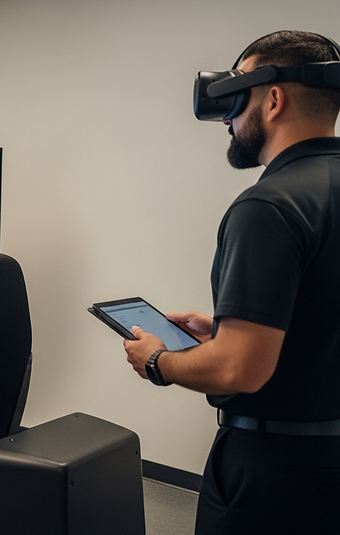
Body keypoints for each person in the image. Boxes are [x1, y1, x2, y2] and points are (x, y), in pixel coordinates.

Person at [122, 31, 340, 534]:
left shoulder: (268, 206)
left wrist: (158, 361)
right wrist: (225, 328)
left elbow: (241, 370)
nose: (226, 118)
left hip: (275, 475)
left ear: (274, 99)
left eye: (235, 99)